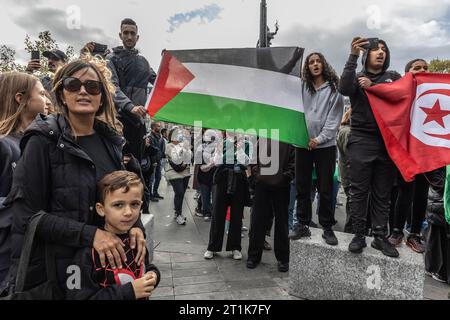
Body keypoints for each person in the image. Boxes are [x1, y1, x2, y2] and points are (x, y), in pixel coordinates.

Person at [1, 56, 147, 298]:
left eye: (92, 86)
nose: (83, 91)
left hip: (104, 274)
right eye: (72, 85)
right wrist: (92, 236)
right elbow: (26, 217)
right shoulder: (42, 140)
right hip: (58, 274)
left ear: (102, 97)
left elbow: (123, 197)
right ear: (61, 94)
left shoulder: (111, 143)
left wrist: (137, 227)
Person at [339, 37, 402, 257]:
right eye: (375, 49)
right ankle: (358, 234)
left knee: (382, 193)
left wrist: (374, 87)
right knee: (358, 191)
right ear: (367, 56)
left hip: (386, 142)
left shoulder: (393, 77)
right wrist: (352, 56)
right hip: (361, 140)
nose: (380, 52)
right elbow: (343, 88)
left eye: (384, 49)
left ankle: (379, 236)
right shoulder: (357, 77)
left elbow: (401, 97)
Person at [67, 171, 160, 300]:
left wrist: (153, 275)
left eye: (134, 204)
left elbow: (146, 266)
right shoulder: (87, 253)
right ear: (101, 209)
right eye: (118, 205)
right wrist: (130, 291)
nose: (128, 212)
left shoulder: (137, 241)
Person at [290, 52, 344, 246]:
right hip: (302, 144)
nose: (315, 64)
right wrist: (301, 136)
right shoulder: (301, 87)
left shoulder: (334, 88)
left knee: (325, 188)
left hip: (325, 147)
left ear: (324, 64)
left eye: (318, 61)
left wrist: (319, 139)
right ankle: (302, 224)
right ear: (307, 67)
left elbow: (334, 118)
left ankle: (327, 227)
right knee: (302, 186)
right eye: (311, 62)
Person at [0, 72, 47, 283]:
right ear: (21, 98)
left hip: (28, 255)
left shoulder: (34, 142)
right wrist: (20, 209)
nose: (47, 100)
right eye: (42, 94)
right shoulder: (4, 145)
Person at [388, 59, 430, 253]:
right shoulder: (400, 92)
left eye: (425, 68)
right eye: (417, 68)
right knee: (405, 191)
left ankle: (415, 234)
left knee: (422, 192)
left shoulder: (435, 94)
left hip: (427, 151)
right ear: (408, 73)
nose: (422, 70)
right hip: (405, 150)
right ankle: (396, 231)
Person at [107, 18, 157, 163]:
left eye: (132, 33)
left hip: (138, 123)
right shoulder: (111, 59)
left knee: (137, 167)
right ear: (120, 35)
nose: (129, 36)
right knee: (119, 165)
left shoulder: (144, 62)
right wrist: (131, 107)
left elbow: (159, 82)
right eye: (126, 33)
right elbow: (112, 86)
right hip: (118, 121)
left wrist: (166, 65)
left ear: (137, 37)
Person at [247, 138, 294, 272]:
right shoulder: (262, 135)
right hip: (262, 184)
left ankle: (283, 258)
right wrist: (257, 176)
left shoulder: (288, 137)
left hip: (282, 186)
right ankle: (254, 256)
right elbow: (254, 158)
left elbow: (294, 162)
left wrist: (284, 177)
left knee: (282, 222)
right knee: (257, 221)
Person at [204, 132, 250, 261]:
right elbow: (217, 163)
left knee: (236, 215)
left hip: (238, 180)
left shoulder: (246, 144)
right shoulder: (221, 143)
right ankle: (212, 247)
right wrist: (219, 152)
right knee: (218, 214)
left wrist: (239, 149)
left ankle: (235, 247)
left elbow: (245, 162)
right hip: (222, 180)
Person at [424, 167, 450, 284]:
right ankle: (437, 270)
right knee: (436, 237)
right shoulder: (441, 151)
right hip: (439, 201)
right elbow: (433, 177)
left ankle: (441, 271)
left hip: (441, 202)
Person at [165, 128, 192, 225]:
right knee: (179, 192)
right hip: (174, 172)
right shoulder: (169, 146)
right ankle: (178, 214)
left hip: (185, 172)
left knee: (181, 194)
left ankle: (178, 211)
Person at [195, 129, 219, 222]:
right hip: (203, 177)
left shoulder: (218, 148)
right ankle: (206, 213)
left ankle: (213, 213)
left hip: (215, 177)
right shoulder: (200, 148)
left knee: (215, 196)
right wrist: (211, 164)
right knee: (205, 197)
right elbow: (201, 167)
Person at [336, 108, 352, 233]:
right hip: (350, 176)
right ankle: (349, 232)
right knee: (352, 207)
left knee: (351, 205)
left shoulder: (344, 130)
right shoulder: (347, 132)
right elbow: (350, 155)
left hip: (348, 175)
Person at [149, 122, 165, 201]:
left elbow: (160, 149)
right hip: (153, 161)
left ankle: (155, 192)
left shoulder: (159, 137)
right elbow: (151, 150)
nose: (160, 127)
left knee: (158, 177)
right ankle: (150, 195)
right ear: (153, 127)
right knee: (151, 179)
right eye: (158, 126)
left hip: (159, 160)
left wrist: (161, 157)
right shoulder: (150, 137)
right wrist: (154, 161)